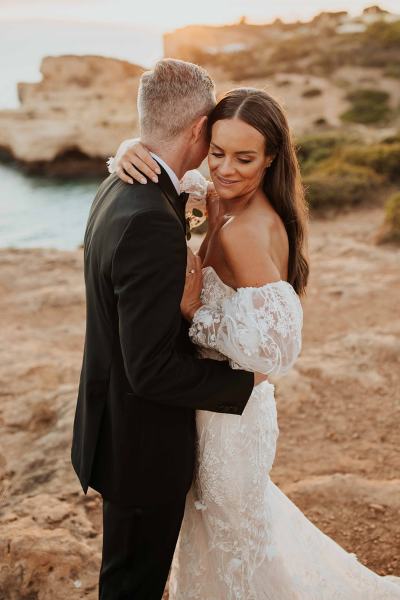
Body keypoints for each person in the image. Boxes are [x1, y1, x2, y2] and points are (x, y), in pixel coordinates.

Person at [112, 87, 400, 598]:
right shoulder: (222, 196)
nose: (225, 168)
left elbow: (274, 352)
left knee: (237, 548)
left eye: (245, 158)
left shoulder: (247, 228)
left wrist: (195, 309)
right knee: (223, 542)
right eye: (217, 152)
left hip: (230, 424)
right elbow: (178, 173)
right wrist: (132, 148)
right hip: (212, 410)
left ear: (271, 158)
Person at [71, 60, 266, 600]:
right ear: (200, 130)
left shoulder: (121, 182)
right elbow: (151, 369)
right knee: (132, 586)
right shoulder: (149, 216)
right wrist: (243, 386)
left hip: (116, 430)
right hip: (140, 449)